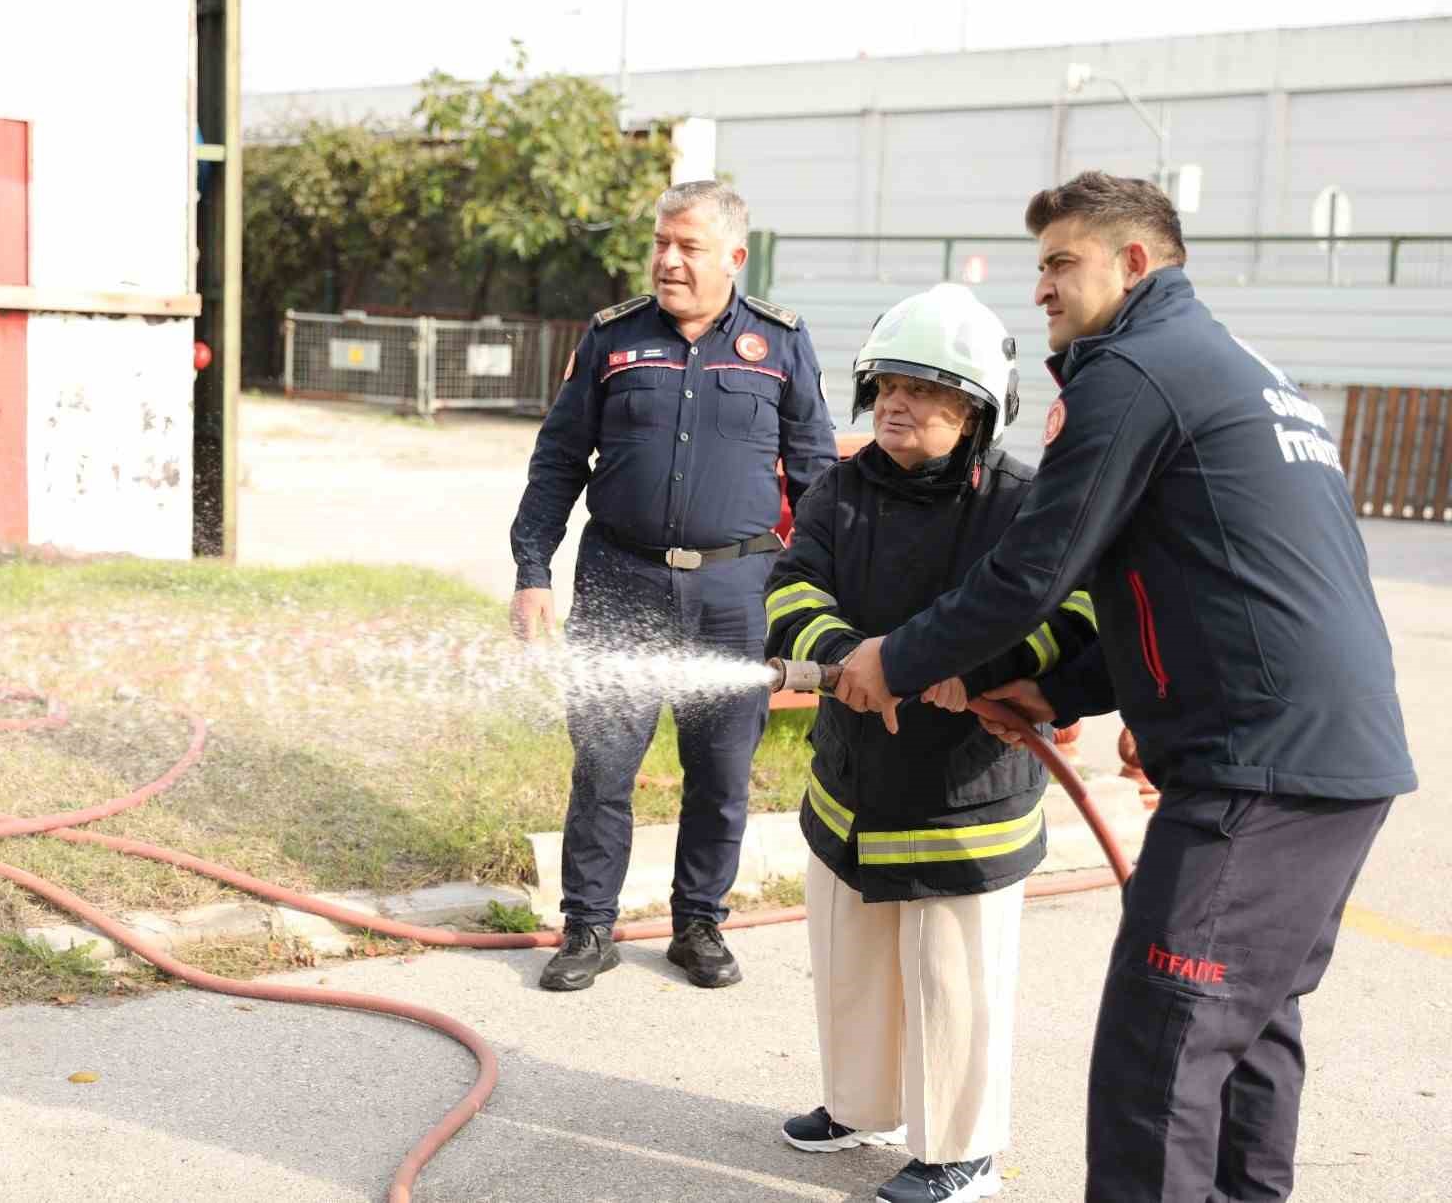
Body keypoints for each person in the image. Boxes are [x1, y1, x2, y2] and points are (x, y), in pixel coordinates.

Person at [832, 171, 1417, 1202]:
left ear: (1132, 261)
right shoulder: (1230, 364)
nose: (1043, 288)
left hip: (1260, 770)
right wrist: (1053, 691)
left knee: (1163, 1042)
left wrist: (896, 659)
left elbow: (1031, 571)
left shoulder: (1132, 371)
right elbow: (1195, 583)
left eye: (1061, 262)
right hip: (1327, 757)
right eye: (1041, 265)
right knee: (1247, 1028)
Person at [764, 283, 1099, 1203]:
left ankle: (963, 1149)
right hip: (851, 781)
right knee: (851, 959)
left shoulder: (1025, 502)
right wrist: (839, 658)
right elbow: (793, 587)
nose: (899, 404)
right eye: (889, 386)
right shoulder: (844, 487)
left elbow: (1068, 613)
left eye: (928, 389)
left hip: (965, 795)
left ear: (978, 409)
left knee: (957, 982)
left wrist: (986, 669)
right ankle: (856, 1105)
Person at [509, 180, 838, 992]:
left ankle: (700, 924)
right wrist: (531, 572)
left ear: (734, 255)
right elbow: (558, 460)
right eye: (661, 242)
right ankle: (588, 926)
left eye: (687, 246)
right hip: (620, 580)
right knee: (604, 764)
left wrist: (820, 594)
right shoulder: (613, 339)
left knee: (722, 771)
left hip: (737, 592)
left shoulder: (781, 344)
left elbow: (819, 475)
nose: (667, 260)